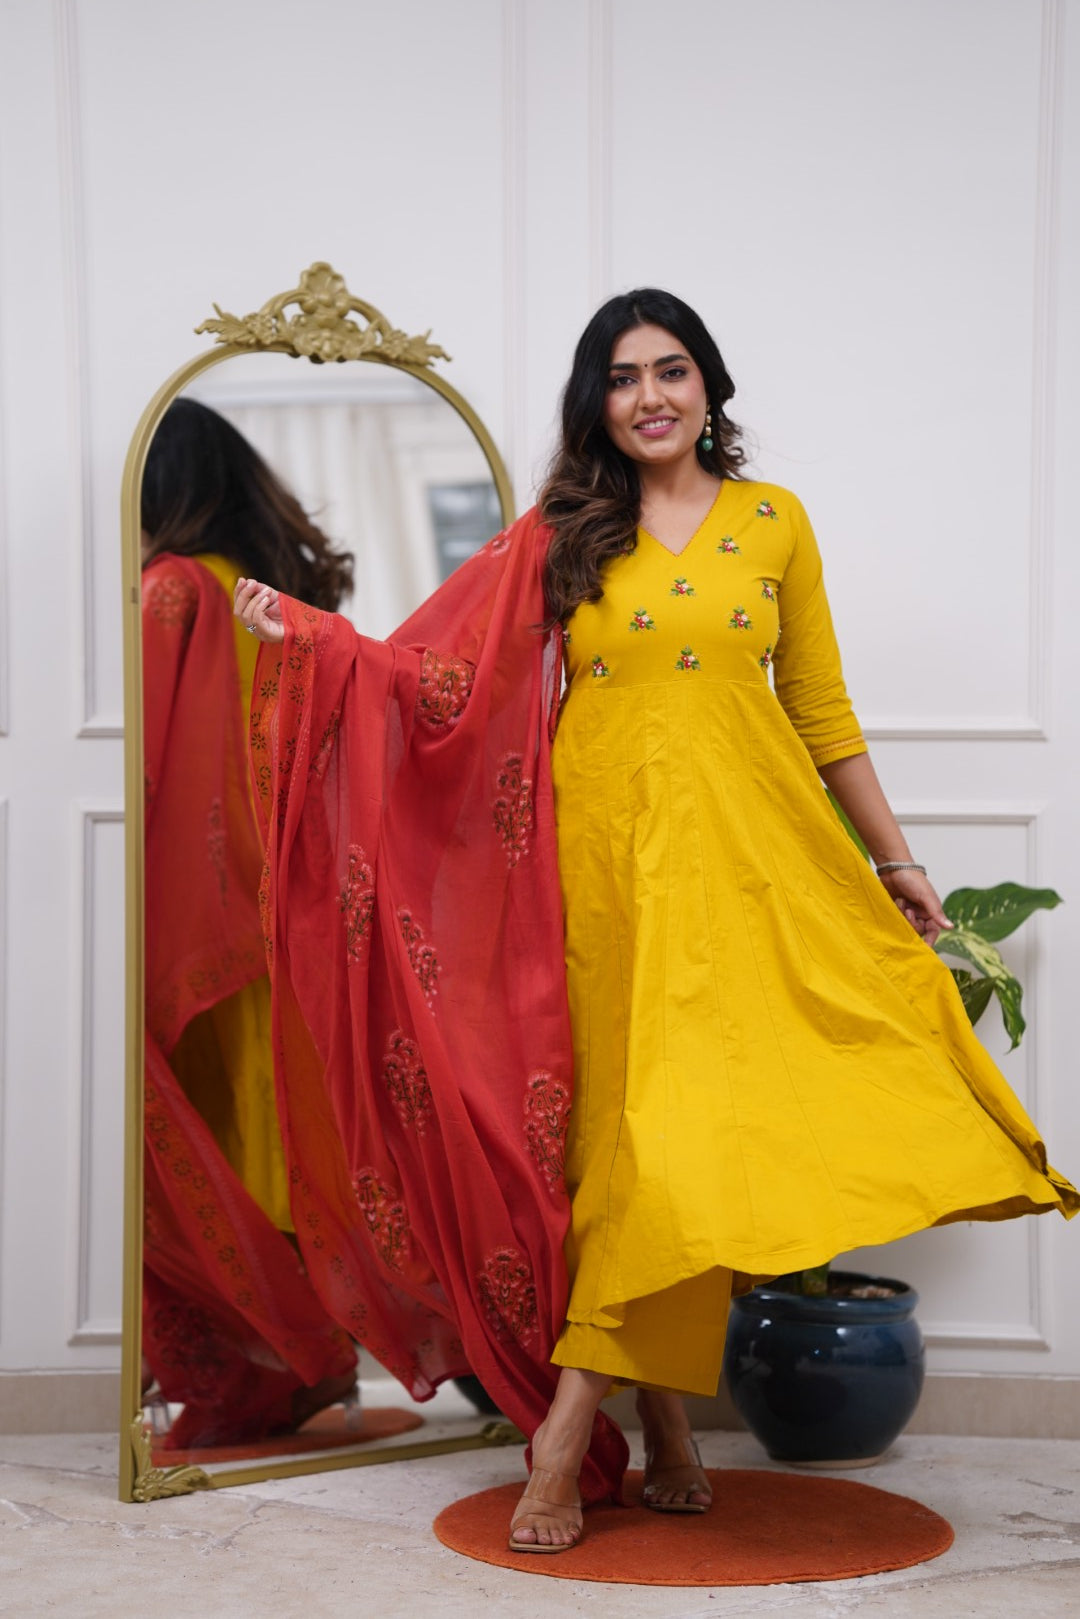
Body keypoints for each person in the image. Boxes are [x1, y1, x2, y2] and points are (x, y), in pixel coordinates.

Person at [234, 290, 1076, 1547]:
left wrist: (895, 859)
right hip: (604, 877)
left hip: (753, 867)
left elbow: (823, 711)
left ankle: (564, 1440)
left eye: (670, 371)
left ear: (708, 385)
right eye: (622, 378)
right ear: (598, 405)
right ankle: (669, 1427)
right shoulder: (566, 533)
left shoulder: (776, 522)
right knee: (628, 1152)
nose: (650, 397)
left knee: (682, 1147)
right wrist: (317, 638)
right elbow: (445, 676)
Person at [141, 398, 359, 1446]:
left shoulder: (172, 588)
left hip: (204, 909)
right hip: (293, 906)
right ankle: (307, 1362)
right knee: (279, 1147)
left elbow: (140, 762)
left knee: (207, 1150)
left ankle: (278, 1367)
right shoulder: (269, 593)